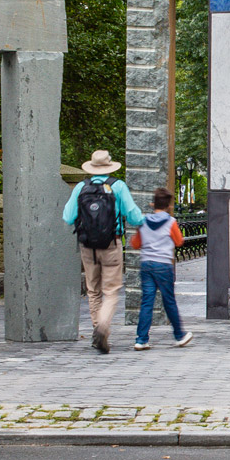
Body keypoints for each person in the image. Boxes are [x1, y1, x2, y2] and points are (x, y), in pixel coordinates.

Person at [62, 149, 143, 353]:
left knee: (93, 290)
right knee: (111, 290)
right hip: (111, 243)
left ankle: (95, 329)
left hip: (87, 245)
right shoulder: (118, 186)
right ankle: (103, 326)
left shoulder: (81, 187)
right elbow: (133, 215)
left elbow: (68, 216)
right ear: (109, 166)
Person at [131, 187, 193, 351]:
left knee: (147, 302)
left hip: (146, 264)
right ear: (168, 205)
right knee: (168, 300)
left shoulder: (143, 221)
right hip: (163, 265)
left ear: (153, 204)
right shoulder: (171, 222)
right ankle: (179, 335)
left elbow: (135, 243)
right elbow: (179, 241)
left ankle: (141, 339)